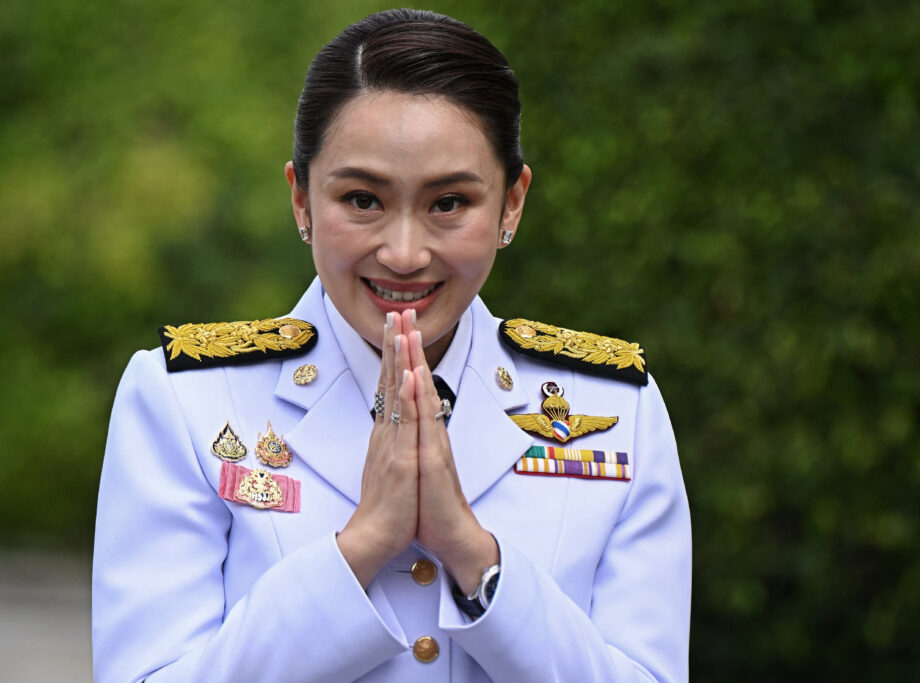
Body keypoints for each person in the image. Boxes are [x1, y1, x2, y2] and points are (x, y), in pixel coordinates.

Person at [92, 8, 690, 682]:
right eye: (362, 199)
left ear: (512, 204)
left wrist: (475, 556)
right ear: (302, 200)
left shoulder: (616, 407)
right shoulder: (188, 400)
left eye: (448, 204)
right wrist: (361, 544)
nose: (404, 254)